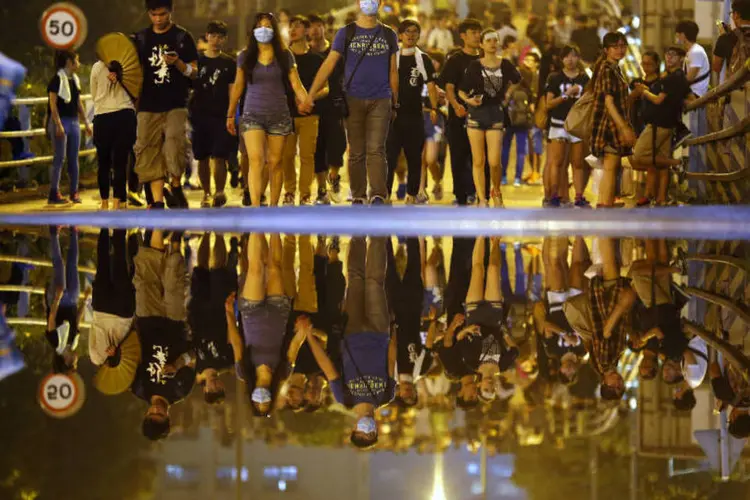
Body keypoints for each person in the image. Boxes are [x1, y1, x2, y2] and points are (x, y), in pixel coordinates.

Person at [305, 0, 399, 205]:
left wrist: (395, 101)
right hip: (352, 98)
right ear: (358, 3)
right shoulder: (345, 33)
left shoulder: (389, 34)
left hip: (381, 98)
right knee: (356, 151)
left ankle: (377, 195)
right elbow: (329, 64)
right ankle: (358, 194)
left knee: (376, 149)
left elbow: (393, 70)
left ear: (381, 4)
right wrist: (310, 94)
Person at [305, 237, 396, 449]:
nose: (367, 429)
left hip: (352, 332)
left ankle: (358, 229)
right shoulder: (386, 395)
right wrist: (393, 331)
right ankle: (377, 229)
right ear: (376, 429)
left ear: (354, 428)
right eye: (371, 434)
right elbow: (391, 361)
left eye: (362, 433)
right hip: (379, 331)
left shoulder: (344, 397)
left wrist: (309, 338)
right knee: (374, 282)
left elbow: (327, 367)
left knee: (355, 279)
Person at [227, 13, 310, 207]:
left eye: (268, 26)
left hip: (279, 115)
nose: (264, 30)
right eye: (260, 26)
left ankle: (273, 206)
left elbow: (296, 84)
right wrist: (230, 113)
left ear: (274, 31)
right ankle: (256, 206)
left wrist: (307, 100)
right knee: (256, 160)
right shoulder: (245, 56)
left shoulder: (284, 55)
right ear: (253, 30)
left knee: (275, 162)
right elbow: (238, 86)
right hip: (252, 114)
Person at [133, 0, 198, 209]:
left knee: (174, 143)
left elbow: (195, 72)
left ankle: (176, 184)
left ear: (171, 12)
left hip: (175, 103)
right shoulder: (141, 38)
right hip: (147, 104)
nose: (158, 19)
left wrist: (178, 63)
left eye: (162, 14)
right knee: (147, 149)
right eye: (154, 15)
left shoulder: (182, 37)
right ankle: (158, 200)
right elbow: (132, 69)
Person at [132, 229, 196, 440]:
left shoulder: (139, 387)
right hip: (174, 322)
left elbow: (130, 356)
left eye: (153, 414)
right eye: (161, 415)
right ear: (169, 418)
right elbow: (194, 355)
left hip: (146, 319)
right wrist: (178, 364)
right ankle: (176, 233)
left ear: (146, 413)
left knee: (144, 277)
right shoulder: (180, 390)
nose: (157, 410)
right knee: (173, 277)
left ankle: (156, 221)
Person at [563, 238, 637, 400]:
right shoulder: (607, 364)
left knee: (608, 255)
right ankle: (602, 219)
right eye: (621, 387)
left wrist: (622, 305)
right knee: (608, 257)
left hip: (608, 302)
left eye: (614, 386)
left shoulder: (604, 362)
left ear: (604, 383)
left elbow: (606, 332)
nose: (619, 382)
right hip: (606, 303)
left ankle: (604, 216)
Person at [228, 233, 291, 416]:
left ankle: (256, 213)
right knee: (274, 268)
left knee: (255, 269)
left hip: (251, 314)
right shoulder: (282, 374)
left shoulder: (243, 372)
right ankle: (272, 213)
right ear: (272, 399)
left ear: (251, 399)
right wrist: (304, 333)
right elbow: (294, 347)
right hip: (278, 313)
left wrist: (230, 314)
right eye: (266, 402)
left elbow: (237, 343)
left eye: (258, 403)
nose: (262, 398)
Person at [458, 29, 521, 207]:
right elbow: (461, 90)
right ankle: (482, 198)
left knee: (494, 161)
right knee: (478, 160)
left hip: (495, 114)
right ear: (482, 44)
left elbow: (517, 80)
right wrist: (468, 100)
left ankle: (496, 190)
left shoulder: (505, 64)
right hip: (476, 114)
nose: (492, 43)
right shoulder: (475, 66)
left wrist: (507, 95)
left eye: (495, 40)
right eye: (488, 40)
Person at [386, 20, 439, 203]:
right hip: (393, 115)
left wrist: (434, 107)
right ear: (400, 35)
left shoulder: (423, 59)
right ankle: (384, 194)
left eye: (415, 31)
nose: (411, 35)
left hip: (415, 115)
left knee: (414, 157)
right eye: (407, 31)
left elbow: (431, 86)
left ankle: (412, 193)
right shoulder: (392, 56)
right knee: (389, 157)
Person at [630, 47, 690, 206]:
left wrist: (643, 91)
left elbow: (658, 100)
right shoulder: (678, 78)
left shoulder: (672, 78)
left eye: (674, 55)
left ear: (682, 58)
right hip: (667, 123)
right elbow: (688, 99)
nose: (669, 58)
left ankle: (677, 163)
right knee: (662, 161)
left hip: (659, 123)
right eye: (667, 54)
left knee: (638, 156)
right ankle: (660, 198)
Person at [282, 16, 329, 206]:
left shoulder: (316, 59)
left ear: (307, 31)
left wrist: (310, 99)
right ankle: (289, 192)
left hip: (310, 113)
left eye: (299, 26)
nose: (293, 29)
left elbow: (326, 88)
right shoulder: (283, 58)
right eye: (291, 26)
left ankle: (305, 194)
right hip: (285, 114)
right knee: (286, 156)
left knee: (307, 156)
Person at [190, 21, 235, 208]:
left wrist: (232, 114)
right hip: (199, 114)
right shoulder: (196, 60)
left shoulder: (228, 62)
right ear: (207, 36)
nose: (216, 40)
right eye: (213, 35)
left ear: (224, 39)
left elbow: (232, 90)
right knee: (201, 157)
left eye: (220, 36)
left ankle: (219, 191)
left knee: (219, 156)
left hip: (220, 115)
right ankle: (206, 193)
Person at [589, 32, 638, 208]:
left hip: (611, 124)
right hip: (609, 126)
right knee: (611, 167)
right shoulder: (607, 69)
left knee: (611, 167)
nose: (620, 50)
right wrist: (623, 127)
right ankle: (606, 207)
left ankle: (604, 204)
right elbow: (609, 102)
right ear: (606, 50)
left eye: (622, 46)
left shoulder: (614, 68)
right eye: (615, 47)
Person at [189, 233, 238, 404]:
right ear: (223, 387)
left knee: (201, 268)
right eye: (219, 389)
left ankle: (206, 233)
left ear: (205, 389)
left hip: (197, 312)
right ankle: (218, 233)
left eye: (212, 390)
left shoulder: (195, 366)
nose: (215, 386)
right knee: (218, 268)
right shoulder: (227, 362)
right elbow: (232, 336)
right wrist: (231, 311)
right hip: (219, 310)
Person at [440, 18, 482, 206]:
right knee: (458, 156)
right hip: (459, 117)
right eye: (473, 32)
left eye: (478, 32)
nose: (477, 36)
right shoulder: (455, 60)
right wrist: (457, 106)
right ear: (463, 36)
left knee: (479, 157)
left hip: (482, 117)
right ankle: (460, 194)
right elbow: (449, 87)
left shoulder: (486, 58)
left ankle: (477, 191)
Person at [544, 44, 590, 208]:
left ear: (578, 58)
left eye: (573, 56)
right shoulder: (554, 78)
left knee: (578, 162)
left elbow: (590, 101)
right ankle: (554, 196)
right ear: (561, 59)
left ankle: (579, 196)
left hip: (577, 125)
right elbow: (548, 104)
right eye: (566, 56)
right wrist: (566, 95)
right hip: (558, 124)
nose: (570, 60)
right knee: (556, 162)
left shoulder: (584, 79)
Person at [308, 14, 347, 204]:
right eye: (311, 26)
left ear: (324, 27)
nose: (314, 30)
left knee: (337, 146)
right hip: (313, 107)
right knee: (317, 149)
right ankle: (322, 190)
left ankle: (334, 176)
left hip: (334, 105)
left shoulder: (335, 52)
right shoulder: (304, 54)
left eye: (318, 25)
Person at [91, 53, 136, 210]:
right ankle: (118, 201)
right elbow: (136, 91)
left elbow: (93, 93)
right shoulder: (129, 68)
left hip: (102, 116)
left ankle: (104, 202)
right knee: (120, 162)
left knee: (103, 163)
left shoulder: (97, 67)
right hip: (125, 116)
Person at [46, 50, 91, 205]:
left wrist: (85, 123)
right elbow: (52, 103)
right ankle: (54, 192)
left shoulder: (74, 80)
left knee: (73, 158)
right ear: (69, 62)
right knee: (59, 158)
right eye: (76, 61)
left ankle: (74, 192)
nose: (78, 63)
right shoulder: (57, 79)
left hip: (73, 122)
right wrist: (58, 124)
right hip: (61, 121)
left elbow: (78, 103)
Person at [89, 229, 136, 367]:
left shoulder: (125, 364)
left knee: (120, 262)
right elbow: (93, 329)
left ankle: (120, 225)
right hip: (102, 309)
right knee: (103, 262)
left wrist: (117, 352)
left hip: (123, 315)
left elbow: (133, 341)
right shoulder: (95, 358)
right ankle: (104, 225)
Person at [45, 226, 88, 373]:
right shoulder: (73, 343)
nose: (77, 360)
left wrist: (57, 298)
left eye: (75, 363)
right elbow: (77, 321)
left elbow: (52, 318)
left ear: (67, 361)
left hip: (60, 300)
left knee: (59, 265)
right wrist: (85, 301)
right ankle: (74, 232)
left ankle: (54, 233)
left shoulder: (56, 343)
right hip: (73, 301)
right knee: (72, 265)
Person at [675, 20, 710, 182]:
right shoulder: (692, 52)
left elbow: (688, 78)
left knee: (694, 142)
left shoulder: (696, 52)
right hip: (691, 99)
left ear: (682, 35)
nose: (676, 38)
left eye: (677, 34)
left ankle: (694, 182)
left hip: (694, 99)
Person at [710, 360, 750, 438]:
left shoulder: (726, 397)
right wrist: (721, 401)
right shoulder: (724, 396)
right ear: (733, 418)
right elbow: (713, 367)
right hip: (733, 351)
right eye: (729, 420)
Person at [713, 0, 750, 78]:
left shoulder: (725, 38)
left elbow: (716, 68)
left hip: (736, 87)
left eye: (732, 14)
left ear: (736, 15)